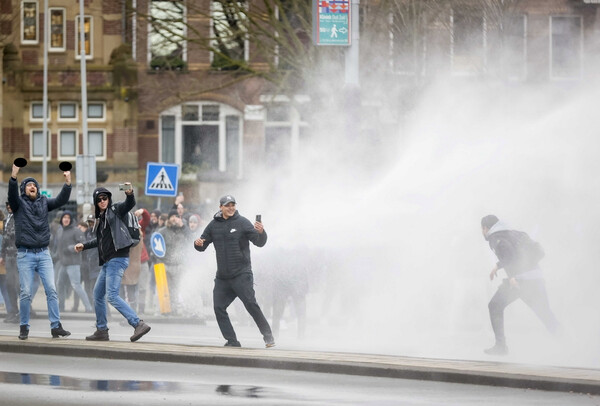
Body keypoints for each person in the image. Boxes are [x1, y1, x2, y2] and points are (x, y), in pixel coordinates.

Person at [194, 195, 275, 348]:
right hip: (223, 277)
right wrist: (197, 244)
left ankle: (268, 336)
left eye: (233, 205)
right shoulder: (213, 225)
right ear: (220, 207)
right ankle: (232, 341)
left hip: (241, 274)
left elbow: (259, 243)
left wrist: (262, 232)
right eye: (227, 205)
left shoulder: (243, 222)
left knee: (251, 304)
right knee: (218, 308)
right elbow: (202, 245)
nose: (231, 208)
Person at [75, 185, 151, 342]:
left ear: (109, 199)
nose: (102, 201)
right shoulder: (102, 219)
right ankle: (102, 330)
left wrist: (129, 193)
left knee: (112, 295)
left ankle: (138, 323)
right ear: (96, 202)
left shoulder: (115, 210)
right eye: (99, 199)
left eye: (105, 198)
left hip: (118, 259)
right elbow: (101, 241)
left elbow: (128, 204)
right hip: (108, 262)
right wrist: (84, 246)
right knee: (97, 294)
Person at [8, 163, 72, 340]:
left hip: (44, 254)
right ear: (23, 189)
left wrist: (68, 183)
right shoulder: (18, 204)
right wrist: (14, 175)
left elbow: (60, 200)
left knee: (51, 290)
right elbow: (11, 194)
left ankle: (56, 326)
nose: (32, 186)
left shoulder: (44, 202)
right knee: (26, 292)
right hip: (25, 254)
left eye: (34, 184)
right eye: (28, 184)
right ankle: (24, 327)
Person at [481, 214, 560, 355]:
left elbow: (509, 255)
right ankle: (567, 343)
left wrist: (512, 276)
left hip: (520, 281)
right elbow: (518, 254)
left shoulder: (494, 238)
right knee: (545, 314)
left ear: (486, 228)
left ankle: (501, 346)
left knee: (494, 306)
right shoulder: (514, 233)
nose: (483, 232)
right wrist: (498, 266)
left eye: (482, 229)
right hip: (535, 277)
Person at [56, 211, 93, 313]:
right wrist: (56, 256)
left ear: (71, 220)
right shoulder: (60, 231)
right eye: (64, 217)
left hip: (74, 263)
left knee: (76, 285)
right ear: (61, 219)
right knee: (59, 284)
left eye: (68, 217)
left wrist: (71, 248)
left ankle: (89, 308)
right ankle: (61, 307)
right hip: (63, 263)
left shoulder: (76, 231)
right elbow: (58, 246)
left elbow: (84, 244)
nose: (66, 219)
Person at [0, 203, 19, 323]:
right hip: (9, 258)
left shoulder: (19, 218)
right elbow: (5, 240)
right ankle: (13, 312)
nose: (9, 207)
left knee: (19, 286)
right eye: (7, 205)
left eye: (11, 205)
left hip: (18, 257)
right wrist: (2, 255)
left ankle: (23, 312)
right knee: (10, 285)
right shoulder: (7, 220)